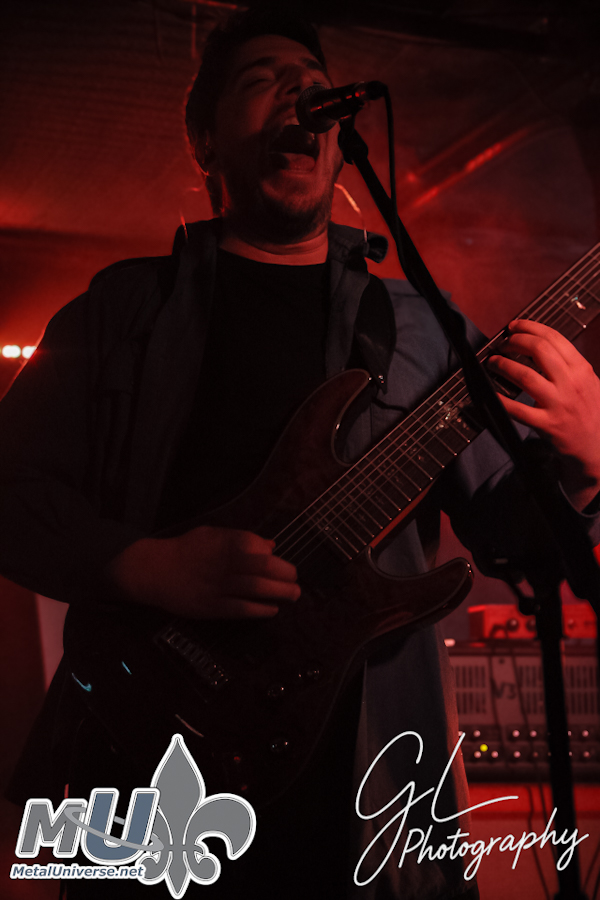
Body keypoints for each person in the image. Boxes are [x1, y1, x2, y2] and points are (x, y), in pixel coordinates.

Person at [2, 7, 600, 899]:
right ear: (205, 140)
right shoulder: (121, 311)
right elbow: (9, 490)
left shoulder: (422, 328)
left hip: (367, 786)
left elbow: (515, 539)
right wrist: (146, 566)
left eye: (316, 87)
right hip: (148, 750)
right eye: (261, 81)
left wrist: (586, 462)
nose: (299, 96)